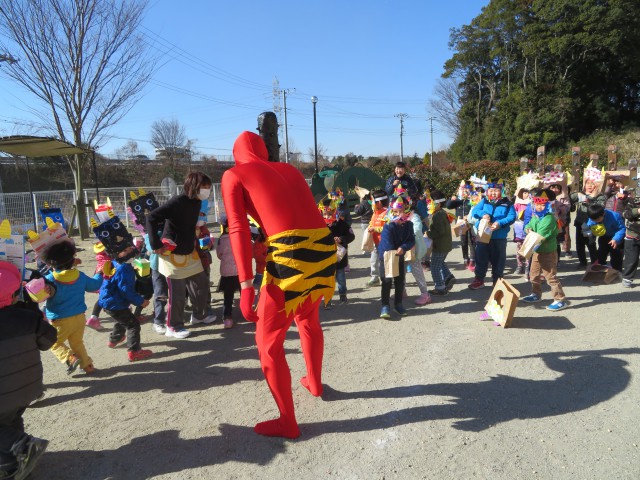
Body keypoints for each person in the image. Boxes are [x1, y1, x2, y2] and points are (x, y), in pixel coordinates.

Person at [221, 130, 336, 439]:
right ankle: (314, 383)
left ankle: (288, 422)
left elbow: (238, 229)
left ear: (236, 154)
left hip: (291, 256)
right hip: (323, 250)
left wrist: (246, 286)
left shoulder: (234, 175)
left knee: (268, 343)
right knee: (308, 321)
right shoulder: (290, 169)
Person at [0, 261, 56, 480]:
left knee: (6, 426)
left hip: (3, 392)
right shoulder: (28, 317)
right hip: (27, 388)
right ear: (14, 294)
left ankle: (22, 446)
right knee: (12, 420)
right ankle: (21, 464)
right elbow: (48, 341)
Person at [146, 171, 217, 339]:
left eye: (209, 187)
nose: (207, 190)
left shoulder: (197, 203)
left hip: (189, 251)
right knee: (177, 294)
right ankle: (173, 326)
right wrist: (156, 245)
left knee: (201, 284)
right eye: (204, 187)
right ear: (194, 186)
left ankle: (199, 315)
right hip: (171, 253)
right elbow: (151, 218)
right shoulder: (178, 201)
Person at [41, 239, 102, 374]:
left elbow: (39, 294)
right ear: (72, 260)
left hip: (60, 320)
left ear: (51, 263)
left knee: (54, 343)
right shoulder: (79, 275)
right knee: (77, 343)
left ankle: (71, 359)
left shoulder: (50, 279)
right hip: (80, 318)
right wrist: (99, 273)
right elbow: (95, 285)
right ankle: (87, 366)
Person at [98, 243, 153, 362]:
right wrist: (140, 301)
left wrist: (133, 270)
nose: (130, 251)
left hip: (109, 301)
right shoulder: (124, 268)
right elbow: (126, 290)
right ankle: (134, 351)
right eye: (125, 250)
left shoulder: (116, 263)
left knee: (124, 318)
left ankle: (114, 339)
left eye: (129, 248)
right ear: (116, 253)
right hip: (115, 303)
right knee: (133, 324)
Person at [520, 189, 568, 311]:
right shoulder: (536, 216)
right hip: (537, 251)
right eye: (537, 204)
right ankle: (536, 294)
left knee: (550, 276)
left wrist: (530, 233)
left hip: (547, 251)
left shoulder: (549, 218)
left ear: (548, 205)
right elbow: (528, 225)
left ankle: (560, 299)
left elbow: (540, 235)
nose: (539, 207)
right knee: (533, 274)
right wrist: (528, 229)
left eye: (542, 204)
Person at [468, 181, 516, 289]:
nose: (493, 193)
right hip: (483, 236)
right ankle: (479, 279)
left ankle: (497, 280)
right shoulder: (484, 201)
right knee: (481, 258)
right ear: (487, 191)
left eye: (496, 190)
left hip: (499, 237)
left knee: (498, 260)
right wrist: (483, 214)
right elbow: (475, 211)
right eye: (491, 190)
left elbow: (512, 217)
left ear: (501, 191)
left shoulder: (507, 203)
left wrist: (500, 223)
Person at [377, 196, 415, 319]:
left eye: (402, 210)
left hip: (399, 255)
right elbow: (387, 243)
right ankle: (385, 305)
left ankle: (398, 304)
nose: (399, 214)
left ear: (406, 210)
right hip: (386, 255)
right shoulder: (389, 225)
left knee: (400, 281)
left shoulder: (408, 224)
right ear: (392, 211)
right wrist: (396, 250)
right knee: (387, 280)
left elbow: (411, 240)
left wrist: (403, 247)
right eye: (396, 211)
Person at [320, 198, 355, 306]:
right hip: (325, 258)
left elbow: (351, 236)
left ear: (335, 211)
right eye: (325, 214)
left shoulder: (342, 224)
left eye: (330, 214)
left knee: (341, 278)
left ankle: (343, 294)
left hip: (339, 257)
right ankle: (328, 298)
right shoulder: (320, 225)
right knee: (327, 280)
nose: (327, 217)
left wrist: (341, 239)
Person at [570, 179, 606, 268]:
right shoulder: (581, 194)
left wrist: (590, 200)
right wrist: (577, 194)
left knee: (591, 243)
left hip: (592, 223)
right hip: (580, 222)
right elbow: (570, 197)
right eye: (588, 183)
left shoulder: (600, 196)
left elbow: (600, 207)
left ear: (597, 185)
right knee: (579, 243)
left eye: (592, 184)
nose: (590, 186)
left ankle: (594, 261)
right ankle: (582, 261)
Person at [427, 190, 454, 295]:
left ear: (437, 204)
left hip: (441, 245)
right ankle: (448, 277)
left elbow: (440, 231)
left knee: (434, 267)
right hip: (445, 245)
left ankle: (440, 288)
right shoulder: (441, 212)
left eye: (430, 202)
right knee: (440, 262)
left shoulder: (437, 215)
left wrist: (428, 234)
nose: (428, 205)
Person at [216, 216, 240, 328]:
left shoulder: (222, 239)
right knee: (244, 293)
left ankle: (227, 318)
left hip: (226, 272)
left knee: (228, 296)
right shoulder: (240, 236)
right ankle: (250, 314)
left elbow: (219, 255)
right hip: (240, 272)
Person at [586, 204, 626, 272]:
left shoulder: (615, 216)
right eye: (593, 220)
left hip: (615, 237)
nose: (595, 221)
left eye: (597, 219)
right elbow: (589, 224)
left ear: (603, 214)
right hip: (603, 237)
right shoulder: (593, 217)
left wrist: (616, 239)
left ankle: (616, 271)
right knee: (601, 253)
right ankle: (601, 268)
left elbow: (622, 229)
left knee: (616, 255)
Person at [446, 181, 476, 271]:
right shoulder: (458, 200)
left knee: (472, 241)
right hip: (460, 224)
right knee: (463, 241)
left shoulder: (472, 199)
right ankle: (465, 259)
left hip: (471, 224)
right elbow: (448, 206)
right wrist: (452, 199)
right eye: (462, 188)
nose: (464, 190)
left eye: (467, 188)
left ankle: (472, 260)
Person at [408, 199, 431, 306]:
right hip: (401, 248)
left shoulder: (414, 217)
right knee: (400, 272)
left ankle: (425, 294)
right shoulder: (395, 216)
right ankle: (402, 290)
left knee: (416, 271)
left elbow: (417, 229)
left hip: (413, 249)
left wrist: (404, 234)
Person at [366, 189, 390, 287]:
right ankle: (375, 278)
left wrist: (375, 229)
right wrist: (370, 226)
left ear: (379, 202)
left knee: (385, 262)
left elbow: (387, 228)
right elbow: (372, 222)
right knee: (373, 260)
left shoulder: (387, 213)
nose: (372, 204)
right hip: (375, 242)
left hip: (384, 243)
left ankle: (388, 279)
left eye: (374, 201)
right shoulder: (375, 212)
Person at [621, 196, 640, 288]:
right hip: (633, 233)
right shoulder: (633, 200)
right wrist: (637, 211)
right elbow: (625, 214)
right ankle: (627, 277)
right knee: (631, 258)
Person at [512, 187, 531, 275]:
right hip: (519, 230)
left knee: (528, 250)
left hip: (529, 231)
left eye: (528, 193)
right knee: (519, 249)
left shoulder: (532, 205)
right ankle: (519, 265)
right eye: (524, 193)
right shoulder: (517, 204)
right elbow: (513, 214)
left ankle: (528, 267)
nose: (526, 195)